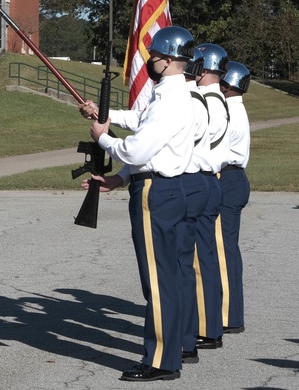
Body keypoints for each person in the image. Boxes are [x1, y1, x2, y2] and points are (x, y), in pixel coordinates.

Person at [79, 26, 196, 382]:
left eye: (154, 57)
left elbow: (137, 149)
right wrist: (106, 116)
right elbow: (143, 123)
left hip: (155, 194)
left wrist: (104, 140)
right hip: (168, 189)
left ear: (166, 60)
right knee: (171, 277)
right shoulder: (174, 96)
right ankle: (171, 351)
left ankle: (160, 360)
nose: (150, 62)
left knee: (158, 281)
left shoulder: (171, 100)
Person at [192, 44, 231, 352]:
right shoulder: (212, 98)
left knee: (200, 259)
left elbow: (205, 136)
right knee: (201, 256)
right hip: (206, 181)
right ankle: (208, 324)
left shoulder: (211, 101)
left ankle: (207, 326)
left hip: (204, 178)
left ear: (204, 69)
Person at [176, 47, 211, 364]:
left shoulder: (187, 100)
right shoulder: (197, 99)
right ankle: (187, 337)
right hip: (197, 178)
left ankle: (185, 339)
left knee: (178, 268)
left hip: (187, 179)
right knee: (185, 266)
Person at [217, 60, 251, 335]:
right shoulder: (234, 107)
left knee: (224, 248)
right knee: (226, 247)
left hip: (227, 178)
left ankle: (229, 315)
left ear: (228, 84)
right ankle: (228, 310)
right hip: (233, 178)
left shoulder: (228, 110)